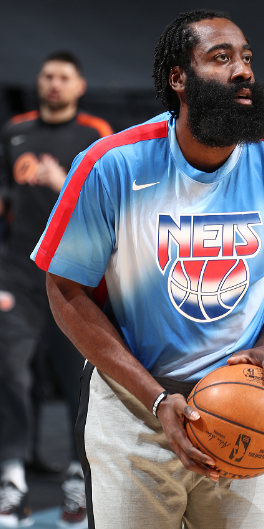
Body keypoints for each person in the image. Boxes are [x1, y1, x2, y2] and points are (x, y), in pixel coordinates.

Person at [31, 10, 264, 529]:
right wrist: (155, 400)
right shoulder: (112, 165)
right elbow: (64, 288)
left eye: (246, 58)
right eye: (221, 57)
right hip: (133, 405)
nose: (243, 70)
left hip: (243, 406)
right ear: (179, 77)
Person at [0, 51, 112, 527]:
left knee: (78, 382)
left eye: (64, 77)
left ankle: (76, 472)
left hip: (73, 277)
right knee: (10, 373)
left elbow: (104, 204)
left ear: (79, 86)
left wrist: (59, 181)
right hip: (18, 278)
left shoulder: (95, 133)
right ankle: (11, 478)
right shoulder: (14, 131)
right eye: (48, 75)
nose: (54, 84)